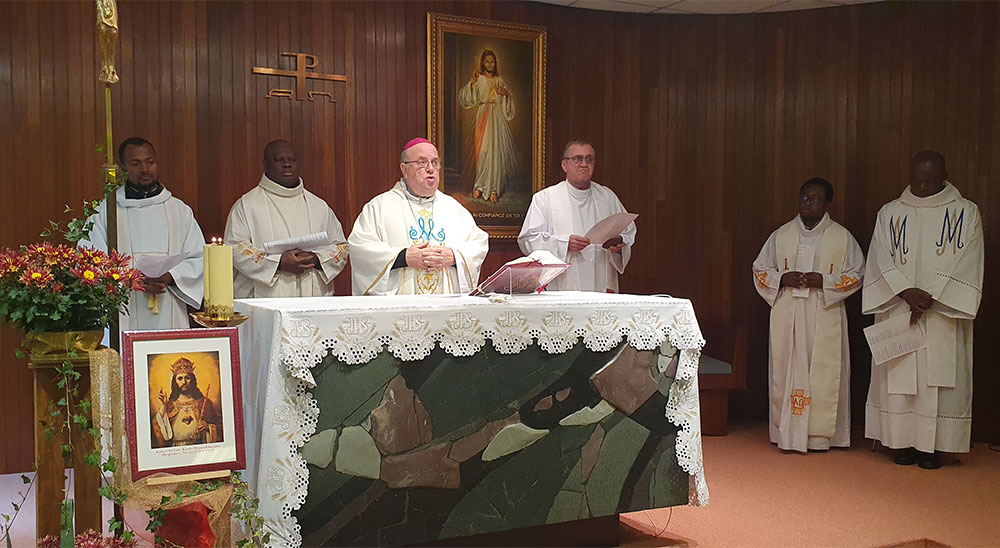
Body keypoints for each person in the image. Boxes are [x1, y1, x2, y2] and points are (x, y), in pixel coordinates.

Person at [863, 151, 984, 469]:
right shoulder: (890, 213)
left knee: (937, 380)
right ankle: (900, 443)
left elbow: (969, 259)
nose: (922, 187)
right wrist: (904, 291)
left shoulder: (965, 212)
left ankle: (934, 448)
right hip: (899, 308)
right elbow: (879, 256)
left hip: (941, 313)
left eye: (929, 181)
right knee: (899, 377)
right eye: (916, 181)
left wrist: (928, 298)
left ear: (945, 174)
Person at [752, 178, 864, 452]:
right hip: (788, 311)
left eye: (815, 199)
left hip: (823, 310)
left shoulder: (842, 237)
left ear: (827, 203)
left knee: (823, 371)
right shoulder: (781, 235)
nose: (809, 203)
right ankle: (787, 433)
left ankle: (823, 436)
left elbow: (857, 274)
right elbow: (760, 269)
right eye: (804, 198)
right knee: (788, 368)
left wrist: (823, 281)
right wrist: (782, 278)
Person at [79, 137, 205, 331]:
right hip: (123, 308)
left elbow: (199, 258)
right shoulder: (107, 212)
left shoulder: (179, 211)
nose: (145, 169)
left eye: (150, 162)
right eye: (136, 164)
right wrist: (131, 279)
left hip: (169, 303)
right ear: (122, 168)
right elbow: (89, 260)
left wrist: (171, 276)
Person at [348, 138, 489, 295]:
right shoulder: (379, 207)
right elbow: (360, 248)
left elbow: (478, 244)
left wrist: (454, 256)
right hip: (399, 310)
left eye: (435, 163)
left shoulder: (454, 208)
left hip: (445, 306)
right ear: (404, 169)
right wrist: (403, 257)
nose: (430, 169)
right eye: (422, 163)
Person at [224, 140, 349, 298]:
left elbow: (340, 247)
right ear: (265, 164)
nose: (287, 164)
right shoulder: (246, 206)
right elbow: (235, 248)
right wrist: (279, 262)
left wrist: (316, 259)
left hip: (313, 300)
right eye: (279, 160)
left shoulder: (318, 206)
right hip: (265, 301)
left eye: (292, 160)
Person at [517, 140, 636, 292]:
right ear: (564, 165)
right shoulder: (545, 198)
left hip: (601, 279)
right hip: (563, 284)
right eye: (577, 159)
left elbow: (628, 231)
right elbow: (528, 239)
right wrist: (565, 244)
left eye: (589, 159)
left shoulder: (607, 196)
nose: (584, 164)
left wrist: (618, 243)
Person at [458, 49, 518, 203]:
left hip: (496, 117)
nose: (489, 64)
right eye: (487, 61)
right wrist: (472, 84)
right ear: (482, 63)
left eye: (492, 61)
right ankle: (480, 186)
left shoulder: (500, 80)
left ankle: (494, 189)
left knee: (495, 153)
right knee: (483, 152)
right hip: (484, 115)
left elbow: (509, 101)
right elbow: (467, 98)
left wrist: (504, 94)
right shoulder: (480, 79)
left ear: (495, 63)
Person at [151, 357, 222, 448]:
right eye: (180, 379)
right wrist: (163, 406)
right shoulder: (170, 405)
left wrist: (208, 427)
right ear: (174, 382)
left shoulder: (205, 403)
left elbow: (222, 427)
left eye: (187, 378)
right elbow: (158, 428)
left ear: (192, 380)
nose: (184, 382)